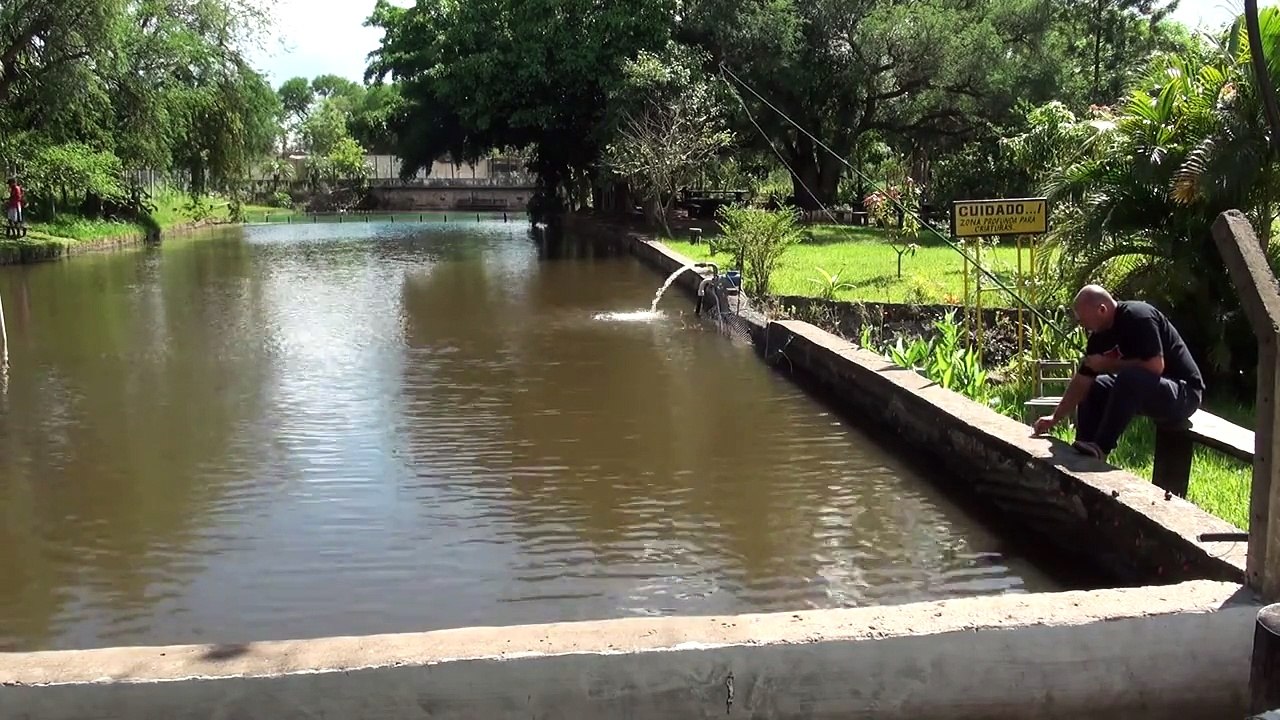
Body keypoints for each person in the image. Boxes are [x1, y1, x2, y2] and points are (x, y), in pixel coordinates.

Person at [1033, 285, 1204, 460]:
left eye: (1083, 319)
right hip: (1145, 389)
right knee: (1095, 385)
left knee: (1129, 378)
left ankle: (1101, 448)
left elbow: (1155, 366)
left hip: (1184, 394)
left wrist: (1109, 364)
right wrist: (1054, 417)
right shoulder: (1098, 337)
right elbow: (1082, 381)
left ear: (1102, 310)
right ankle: (1085, 447)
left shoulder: (1138, 316)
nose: (1081, 324)